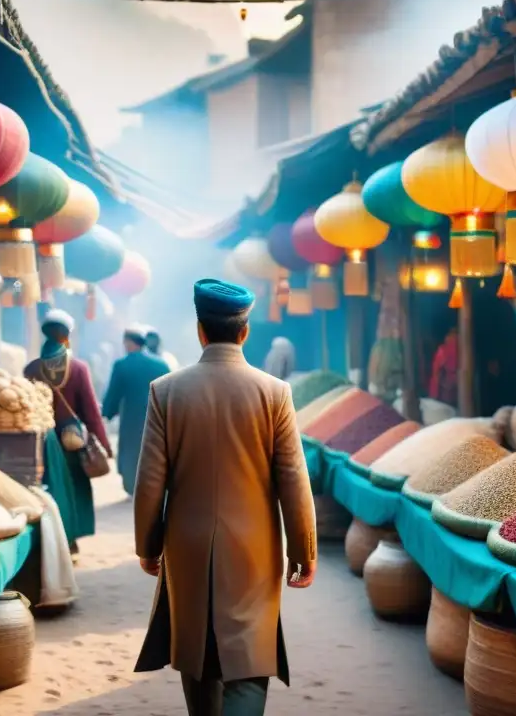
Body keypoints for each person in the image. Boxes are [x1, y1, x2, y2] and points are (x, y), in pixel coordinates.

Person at [133, 279, 317, 716]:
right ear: (245, 331)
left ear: (200, 330)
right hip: (254, 550)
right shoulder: (274, 392)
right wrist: (303, 551)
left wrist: (148, 546)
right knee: (250, 659)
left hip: (188, 546)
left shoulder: (166, 390)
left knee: (198, 657)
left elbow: (149, 482)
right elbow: (293, 478)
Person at [24, 310, 111, 552]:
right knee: (74, 488)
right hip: (72, 442)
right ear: (66, 337)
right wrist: (104, 443)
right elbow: (91, 413)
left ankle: (51, 544)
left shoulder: (31, 369)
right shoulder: (79, 368)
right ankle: (71, 543)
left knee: (50, 490)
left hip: (41, 442)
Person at [103, 325, 171, 496]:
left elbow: (114, 393)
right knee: (155, 450)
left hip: (131, 420)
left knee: (131, 452)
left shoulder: (122, 365)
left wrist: (107, 413)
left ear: (128, 343)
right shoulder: (161, 364)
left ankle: (132, 487)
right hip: (156, 417)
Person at [428, 327, 458, 407]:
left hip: (448, 387)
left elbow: (436, 372)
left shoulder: (443, 350)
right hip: (456, 385)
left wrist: (434, 394)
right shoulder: (444, 350)